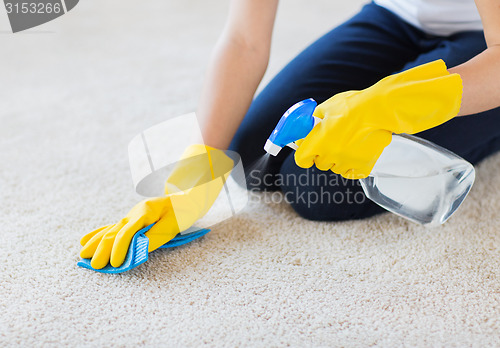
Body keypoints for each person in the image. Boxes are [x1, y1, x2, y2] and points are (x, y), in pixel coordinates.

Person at [80, 0, 500, 269]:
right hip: (395, 14)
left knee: (317, 186)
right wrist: (197, 169)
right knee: (251, 158)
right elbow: (244, 40)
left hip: (488, 41)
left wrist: (387, 103)